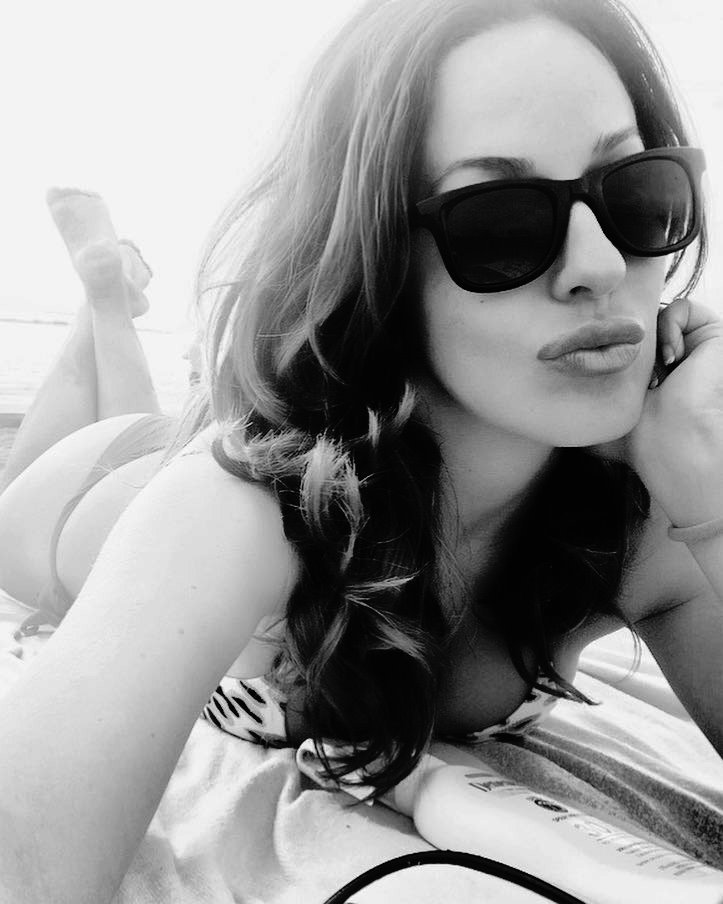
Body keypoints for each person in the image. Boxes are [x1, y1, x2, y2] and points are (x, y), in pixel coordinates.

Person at [0, 0, 722, 900]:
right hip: (90, 490)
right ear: (374, 254)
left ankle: (106, 303)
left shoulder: (648, 516)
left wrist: (709, 481)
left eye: (635, 193)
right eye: (501, 223)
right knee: (77, 443)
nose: (601, 266)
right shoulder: (248, 509)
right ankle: (103, 309)